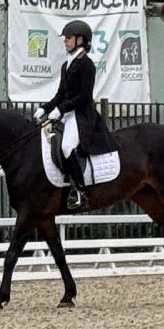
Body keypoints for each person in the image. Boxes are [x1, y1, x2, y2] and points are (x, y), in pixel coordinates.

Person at [35, 20, 115, 212]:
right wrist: (44, 108)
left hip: (82, 116)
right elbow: (60, 95)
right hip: (67, 114)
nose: (65, 41)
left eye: (68, 38)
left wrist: (61, 110)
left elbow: (84, 97)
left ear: (80, 40)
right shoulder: (66, 65)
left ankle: (79, 191)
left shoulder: (86, 65)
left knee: (67, 146)